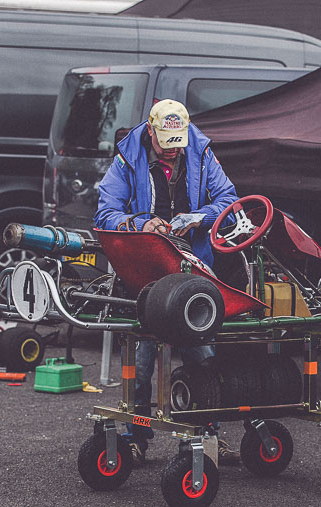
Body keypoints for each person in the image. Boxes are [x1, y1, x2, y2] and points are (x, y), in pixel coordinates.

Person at [95, 99, 241, 466]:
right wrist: (140, 224)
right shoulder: (126, 159)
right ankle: (136, 438)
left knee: (203, 356)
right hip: (145, 274)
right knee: (142, 363)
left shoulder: (201, 152)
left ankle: (207, 438)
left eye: (179, 143)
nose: (174, 151)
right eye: (166, 144)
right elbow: (105, 213)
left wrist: (199, 218)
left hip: (193, 272)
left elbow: (229, 201)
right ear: (150, 131)